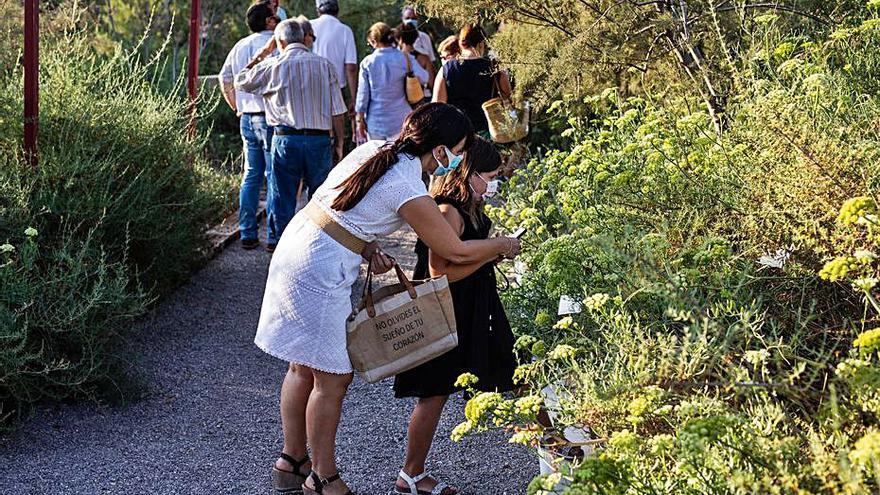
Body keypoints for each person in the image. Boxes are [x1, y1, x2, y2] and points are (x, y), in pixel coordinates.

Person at [253, 103, 521, 495]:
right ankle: (323, 478)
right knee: (332, 378)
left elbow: (342, 208)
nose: (462, 157)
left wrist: (365, 248)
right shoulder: (410, 188)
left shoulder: (377, 150)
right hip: (320, 268)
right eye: (460, 149)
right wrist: (502, 244)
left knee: (302, 367)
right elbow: (456, 252)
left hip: (300, 247)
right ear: (442, 150)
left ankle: (292, 461)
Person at [392, 137, 515, 495]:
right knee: (434, 392)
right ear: (469, 173)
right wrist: (494, 251)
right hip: (448, 311)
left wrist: (490, 254)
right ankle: (411, 473)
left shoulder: (470, 206)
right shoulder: (447, 211)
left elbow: (468, 257)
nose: (493, 184)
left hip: (475, 308)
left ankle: (560, 444)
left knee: (514, 366)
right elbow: (439, 273)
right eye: (490, 176)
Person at [235, 17, 347, 252]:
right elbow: (338, 111)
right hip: (318, 140)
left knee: (282, 195)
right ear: (303, 38)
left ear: (279, 41)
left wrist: (265, 53)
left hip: (285, 139)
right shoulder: (324, 65)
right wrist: (339, 143)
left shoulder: (272, 65)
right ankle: (320, 244)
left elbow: (240, 81)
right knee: (320, 198)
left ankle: (280, 244)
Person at [219, 3, 279, 250]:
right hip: (270, 116)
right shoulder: (275, 46)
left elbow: (225, 79)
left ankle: (247, 233)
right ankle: (274, 237)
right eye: (274, 16)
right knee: (274, 175)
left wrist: (236, 106)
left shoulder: (240, 46)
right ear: (268, 22)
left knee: (251, 174)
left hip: (247, 116)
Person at [355, 23, 429, 143]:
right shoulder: (405, 58)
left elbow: (362, 96)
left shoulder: (367, 63)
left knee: (377, 158)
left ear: (374, 41)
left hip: (376, 122)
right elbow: (424, 77)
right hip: (401, 119)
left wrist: (359, 121)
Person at [432, 24, 512, 137]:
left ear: (461, 44)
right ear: (482, 43)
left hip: (459, 134)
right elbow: (508, 98)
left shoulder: (446, 69)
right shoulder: (496, 67)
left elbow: (437, 106)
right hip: (491, 131)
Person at [311, 0, 358, 116]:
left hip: (311, 84)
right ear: (337, 11)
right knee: (337, 122)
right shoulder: (345, 30)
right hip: (335, 87)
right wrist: (354, 99)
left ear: (318, 11)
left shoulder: (308, 25)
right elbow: (351, 67)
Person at [400, 6, 437, 99]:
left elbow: (432, 63)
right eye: (407, 18)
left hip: (425, 93)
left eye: (413, 18)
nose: (410, 20)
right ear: (402, 19)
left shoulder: (425, 37)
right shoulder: (398, 39)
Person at [396, 22, 434, 103]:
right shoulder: (424, 58)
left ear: (399, 38)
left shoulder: (395, 59)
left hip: (400, 102)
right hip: (422, 99)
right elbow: (431, 83)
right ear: (415, 37)